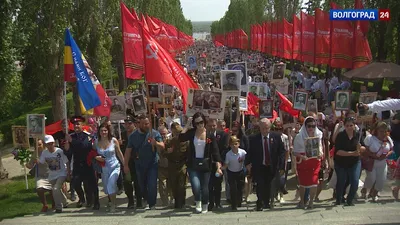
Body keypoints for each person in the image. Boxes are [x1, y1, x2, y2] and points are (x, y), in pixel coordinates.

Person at [179, 112, 222, 213]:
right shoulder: (192, 133)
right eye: (197, 123)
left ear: (204, 121)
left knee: (205, 186)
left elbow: (215, 151)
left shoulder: (210, 135)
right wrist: (187, 124)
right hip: (193, 164)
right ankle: (198, 201)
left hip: (206, 164)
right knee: (195, 185)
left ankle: (205, 204)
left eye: (201, 122)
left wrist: (218, 165)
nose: (200, 125)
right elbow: (181, 138)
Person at [124, 114, 165, 210]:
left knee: (152, 184)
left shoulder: (154, 133)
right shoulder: (133, 136)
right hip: (139, 164)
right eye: (144, 124)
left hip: (152, 164)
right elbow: (128, 151)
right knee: (141, 185)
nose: (146, 126)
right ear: (139, 124)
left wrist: (156, 143)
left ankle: (152, 204)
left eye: (147, 123)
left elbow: (163, 146)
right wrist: (125, 165)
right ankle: (145, 198)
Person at [245, 118, 286, 211]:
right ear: (259, 128)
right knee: (260, 185)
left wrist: (282, 165)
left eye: (266, 128)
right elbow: (249, 152)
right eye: (262, 128)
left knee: (270, 185)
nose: (264, 130)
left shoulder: (276, 137)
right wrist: (247, 163)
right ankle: (260, 202)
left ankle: (268, 202)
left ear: (270, 127)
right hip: (259, 165)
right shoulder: (253, 138)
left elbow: (281, 152)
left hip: (272, 165)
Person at [65, 116, 100, 210]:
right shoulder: (70, 136)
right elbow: (68, 152)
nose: (76, 126)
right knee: (76, 183)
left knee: (92, 184)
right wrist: (67, 145)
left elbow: (84, 146)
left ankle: (96, 201)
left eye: (78, 124)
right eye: (75, 124)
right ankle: (81, 198)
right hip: (77, 164)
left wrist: (72, 142)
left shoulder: (88, 136)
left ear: (82, 125)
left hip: (88, 163)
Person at [293, 116, 324, 209]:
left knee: (314, 182)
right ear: (305, 126)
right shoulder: (299, 136)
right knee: (303, 183)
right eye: (309, 126)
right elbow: (294, 151)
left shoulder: (319, 134)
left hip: (314, 161)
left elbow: (320, 147)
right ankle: (302, 201)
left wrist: (321, 154)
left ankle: (311, 202)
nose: (311, 128)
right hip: (303, 161)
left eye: (313, 126)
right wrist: (302, 156)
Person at [95, 122, 125, 212]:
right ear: (99, 132)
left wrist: (125, 165)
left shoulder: (114, 140)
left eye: (105, 130)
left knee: (111, 183)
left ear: (108, 131)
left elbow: (119, 153)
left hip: (115, 166)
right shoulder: (96, 142)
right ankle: (111, 201)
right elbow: (91, 153)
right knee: (107, 187)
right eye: (102, 131)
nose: (103, 132)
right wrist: (96, 157)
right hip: (104, 168)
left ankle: (113, 205)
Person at [363, 122, 394, 202]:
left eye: (385, 131)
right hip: (372, 162)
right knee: (371, 179)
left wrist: (387, 154)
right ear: (376, 131)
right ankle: (364, 189)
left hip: (382, 163)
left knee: (381, 180)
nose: (383, 133)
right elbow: (365, 149)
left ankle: (374, 194)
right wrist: (373, 155)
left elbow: (391, 150)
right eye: (381, 131)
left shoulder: (388, 139)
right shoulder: (370, 138)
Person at [39, 135, 70, 213]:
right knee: (57, 190)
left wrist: (69, 173)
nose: (50, 145)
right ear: (45, 145)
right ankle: (65, 202)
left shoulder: (59, 151)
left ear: (54, 143)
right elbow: (41, 162)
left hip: (61, 173)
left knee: (55, 189)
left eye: (51, 143)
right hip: (52, 175)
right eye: (48, 144)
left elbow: (67, 161)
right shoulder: (44, 153)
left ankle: (58, 207)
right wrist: (36, 160)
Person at [26, 139, 55, 212]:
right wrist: (26, 164)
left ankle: (54, 203)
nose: (38, 146)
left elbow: (53, 163)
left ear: (43, 144)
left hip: (50, 174)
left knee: (52, 190)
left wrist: (41, 162)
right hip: (40, 176)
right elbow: (30, 165)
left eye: (39, 144)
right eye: (36, 145)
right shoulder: (35, 154)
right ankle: (45, 205)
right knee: (39, 189)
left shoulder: (48, 152)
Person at [165, 122, 189, 209]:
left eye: (178, 132)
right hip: (172, 165)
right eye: (175, 132)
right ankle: (177, 202)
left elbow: (188, 153)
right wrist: (168, 152)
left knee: (182, 185)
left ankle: (182, 202)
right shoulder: (169, 141)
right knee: (174, 186)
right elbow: (163, 153)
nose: (177, 134)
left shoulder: (185, 141)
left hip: (182, 165)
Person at [120, 116, 142, 209]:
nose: (128, 125)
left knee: (138, 182)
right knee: (127, 181)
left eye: (130, 123)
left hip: (137, 161)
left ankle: (139, 200)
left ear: (134, 124)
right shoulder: (122, 135)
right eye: (126, 124)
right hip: (126, 162)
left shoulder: (139, 134)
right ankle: (130, 200)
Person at [207, 118, 228, 211]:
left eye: (214, 125)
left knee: (218, 184)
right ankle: (211, 203)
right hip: (208, 163)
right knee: (209, 184)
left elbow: (224, 149)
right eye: (210, 125)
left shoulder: (223, 135)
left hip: (219, 164)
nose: (212, 127)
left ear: (217, 125)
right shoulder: (205, 135)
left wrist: (220, 161)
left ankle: (218, 202)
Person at [221, 136, 246, 210]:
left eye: (236, 144)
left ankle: (239, 201)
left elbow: (246, 161)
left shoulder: (243, 152)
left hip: (240, 172)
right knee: (233, 188)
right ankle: (233, 204)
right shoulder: (228, 154)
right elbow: (226, 165)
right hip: (231, 173)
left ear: (238, 144)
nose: (234, 146)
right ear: (230, 145)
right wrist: (221, 169)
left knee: (240, 188)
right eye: (232, 144)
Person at [157, 126, 173, 206]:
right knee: (163, 186)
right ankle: (165, 202)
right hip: (161, 167)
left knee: (170, 186)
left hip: (170, 167)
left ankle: (171, 200)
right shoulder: (157, 143)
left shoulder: (171, 142)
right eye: (161, 134)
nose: (163, 136)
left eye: (164, 134)